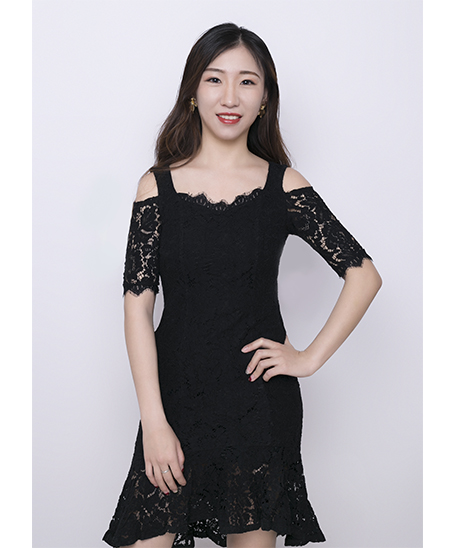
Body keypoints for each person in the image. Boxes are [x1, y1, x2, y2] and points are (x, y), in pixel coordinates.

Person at [102, 22, 382, 548]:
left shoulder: (284, 186)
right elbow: (137, 309)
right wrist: (153, 421)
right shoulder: (156, 187)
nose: (230, 96)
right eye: (215, 78)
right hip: (175, 402)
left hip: (260, 406)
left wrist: (307, 358)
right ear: (193, 91)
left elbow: (363, 275)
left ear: (265, 98)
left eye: (247, 82)